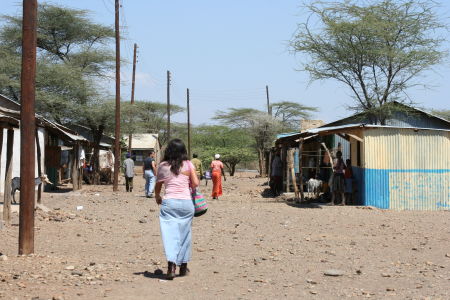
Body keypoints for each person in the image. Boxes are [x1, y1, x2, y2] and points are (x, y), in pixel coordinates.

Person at [154, 139, 199, 280]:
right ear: (183, 151)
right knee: (185, 235)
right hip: (186, 204)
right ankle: (183, 267)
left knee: (170, 235)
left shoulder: (162, 166)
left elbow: (158, 186)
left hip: (170, 203)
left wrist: (157, 197)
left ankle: (171, 267)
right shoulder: (188, 164)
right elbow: (196, 183)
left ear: (168, 151)